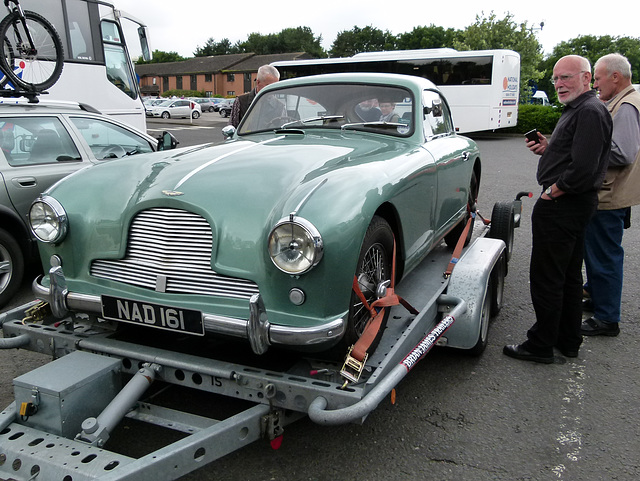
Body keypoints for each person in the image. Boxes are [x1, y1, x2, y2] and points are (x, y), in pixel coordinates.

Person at [503, 55, 613, 363]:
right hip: (571, 204)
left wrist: (553, 191)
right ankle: (567, 340)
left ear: (586, 78)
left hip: (564, 205)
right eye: (556, 79)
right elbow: (577, 154)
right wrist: (550, 149)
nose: (559, 84)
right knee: (567, 276)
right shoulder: (582, 109)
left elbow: (583, 169)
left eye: (566, 77)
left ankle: (540, 345)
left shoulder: (590, 110)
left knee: (547, 277)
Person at [581, 53, 640, 337]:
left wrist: (582, 153)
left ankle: (607, 318)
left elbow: (623, 152)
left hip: (609, 194)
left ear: (615, 76)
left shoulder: (626, 105)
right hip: (611, 191)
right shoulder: (621, 101)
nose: (595, 83)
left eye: (598, 76)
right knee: (598, 252)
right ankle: (597, 298)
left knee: (605, 255)